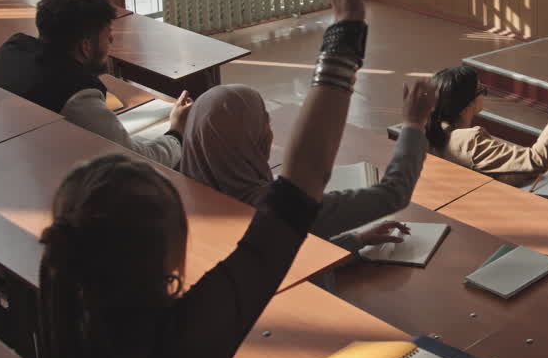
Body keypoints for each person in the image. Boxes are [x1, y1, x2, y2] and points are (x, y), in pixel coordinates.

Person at [38, 0, 392, 358]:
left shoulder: (61, 320)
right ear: (167, 260)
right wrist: (347, 26)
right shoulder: (186, 339)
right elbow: (299, 187)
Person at [179, 78, 436, 251]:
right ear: (253, 142)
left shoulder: (181, 198)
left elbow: (277, 258)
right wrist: (414, 124)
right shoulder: (282, 206)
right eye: (265, 122)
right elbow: (393, 194)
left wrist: (352, 241)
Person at [0, 0, 191, 168]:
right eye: (107, 33)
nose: (111, 39)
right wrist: (176, 131)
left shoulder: (13, 51)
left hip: (6, 158)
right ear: (86, 45)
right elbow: (139, 162)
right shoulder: (75, 95)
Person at [426, 63, 548, 186]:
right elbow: (536, 160)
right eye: (481, 89)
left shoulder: (431, 131)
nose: (484, 93)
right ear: (467, 103)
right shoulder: (467, 142)